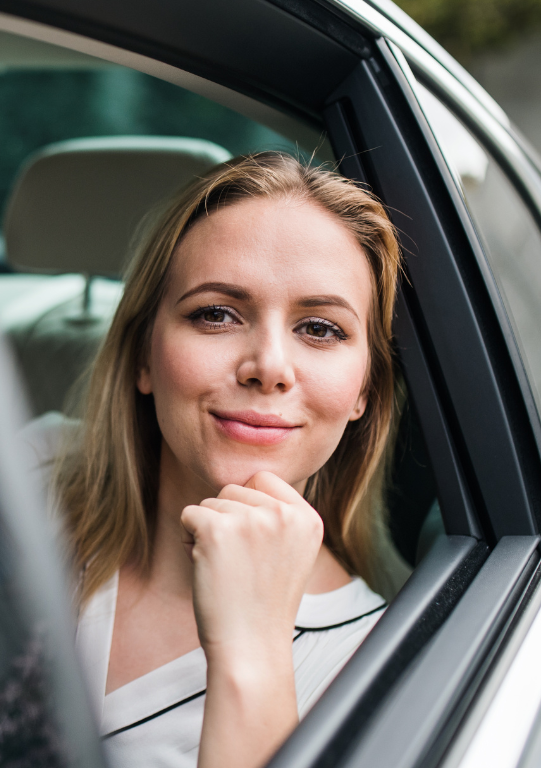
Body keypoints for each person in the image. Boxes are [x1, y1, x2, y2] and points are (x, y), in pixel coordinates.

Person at [49, 151, 410, 768]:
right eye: (216, 313)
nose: (269, 366)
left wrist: (254, 656)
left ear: (364, 392)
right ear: (143, 358)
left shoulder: (381, 670)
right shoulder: (22, 475)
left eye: (320, 328)